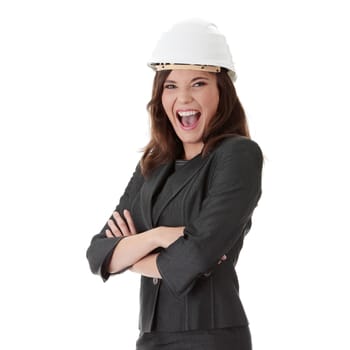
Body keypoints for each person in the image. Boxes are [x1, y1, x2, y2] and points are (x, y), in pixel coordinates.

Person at [86, 18, 263, 350]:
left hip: (210, 337)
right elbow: (98, 253)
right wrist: (159, 237)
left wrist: (129, 254)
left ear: (220, 91)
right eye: (171, 85)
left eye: (198, 83)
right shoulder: (154, 163)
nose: (184, 97)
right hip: (151, 337)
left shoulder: (238, 156)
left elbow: (195, 257)